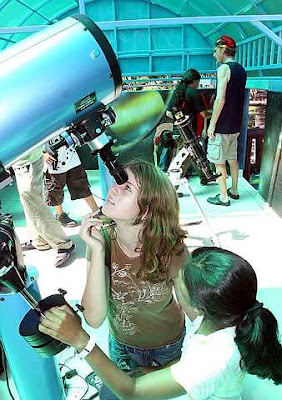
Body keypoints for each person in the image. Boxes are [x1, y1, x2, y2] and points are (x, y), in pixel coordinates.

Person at [39, 247, 282, 399]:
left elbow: (131, 392)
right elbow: (191, 358)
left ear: (197, 305)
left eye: (178, 279)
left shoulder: (214, 359)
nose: (173, 276)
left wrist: (80, 340)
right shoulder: (225, 317)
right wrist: (156, 371)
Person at [63, 160, 193, 399]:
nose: (114, 189)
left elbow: (194, 310)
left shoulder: (171, 249)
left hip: (168, 346)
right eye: (118, 183)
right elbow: (93, 318)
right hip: (122, 347)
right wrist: (98, 250)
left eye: (127, 189)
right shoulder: (101, 240)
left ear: (146, 211)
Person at [12, 147, 75, 268]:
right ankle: (39, 240)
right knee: (29, 200)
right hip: (21, 160)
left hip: (27, 160)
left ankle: (63, 243)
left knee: (32, 200)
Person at [207, 35, 247, 206]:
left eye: (216, 51)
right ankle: (235, 190)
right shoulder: (241, 70)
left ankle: (223, 196)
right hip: (235, 125)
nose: (214, 55)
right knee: (233, 159)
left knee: (219, 161)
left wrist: (212, 124)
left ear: (223, 49)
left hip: (222, 126)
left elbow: (220, 99)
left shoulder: (224, 68)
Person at [167, 69, 211, 185]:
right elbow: (204, 114)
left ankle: (205, 176)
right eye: (198, 82)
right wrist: (215, 113)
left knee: (189, 155)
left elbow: (168, 113)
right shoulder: (194, 93)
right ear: (194, 81)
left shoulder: (177, 91)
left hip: (178, 129)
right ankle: (173, 185)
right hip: (189, 130)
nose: (198, 85)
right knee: (187, 157)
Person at [43, 144, 98, 227]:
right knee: (55, 190)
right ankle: (60, 216)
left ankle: (96, 211)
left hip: (72, 157)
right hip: (53, 162)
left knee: (82, 184)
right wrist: (42, 154)